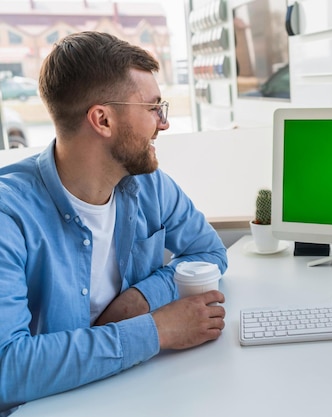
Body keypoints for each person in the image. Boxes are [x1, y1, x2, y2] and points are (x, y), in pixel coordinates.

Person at [0, 32, 228, 414]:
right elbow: (8, 369)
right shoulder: (9, 216)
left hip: (136, 389)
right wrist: (158, 329)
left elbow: (209, 251)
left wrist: (138, 301)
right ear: (102, 119)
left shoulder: (149, 184)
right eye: (153, 108)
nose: (163, 123)